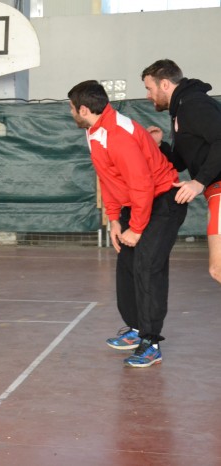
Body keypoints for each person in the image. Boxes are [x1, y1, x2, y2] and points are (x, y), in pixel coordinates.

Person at [67, 80, 187, 367]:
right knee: (127, 266)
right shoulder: (95, 131)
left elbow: (142, 185)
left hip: (161, 203)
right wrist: (114, 220)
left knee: (147, 268)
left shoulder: (117, 134)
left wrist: (136, 227)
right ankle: (135, 329)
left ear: (84, 109)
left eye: (71, 108)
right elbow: (107, 176)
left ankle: (151, 342)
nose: (70, 113)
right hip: (137, 204)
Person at [141, 59, 221, 285]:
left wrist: (199, 182)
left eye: (149, 88)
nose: (148, 95)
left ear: (165, 84)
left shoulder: (193, 104)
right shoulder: (181, 110)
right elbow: (181, 161)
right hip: (215, 190)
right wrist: (160, 146)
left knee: (218, 269)